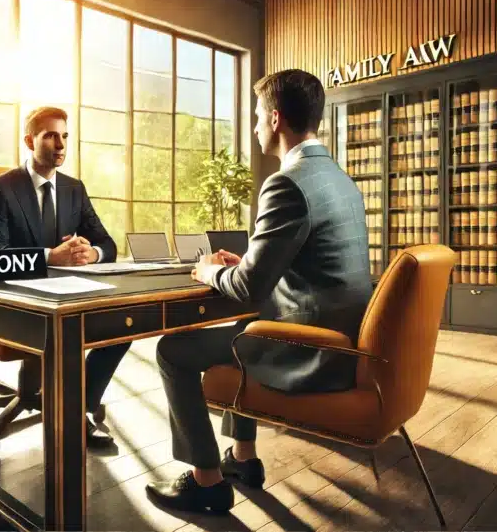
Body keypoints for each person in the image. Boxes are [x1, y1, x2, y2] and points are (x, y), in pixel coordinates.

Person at [145, 69, 373, 513]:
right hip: (344, 344)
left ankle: (206, 480)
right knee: (246, 325)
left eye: (255, 118)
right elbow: (303, 262)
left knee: (173, 352)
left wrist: (210, 271)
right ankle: (243, 458)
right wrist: (247, 260)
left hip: (309, 353)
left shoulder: (287, 181)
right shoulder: (341, 181)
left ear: (274, 119)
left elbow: (249, 288)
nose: (252, 128)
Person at [0, 106, 128, 448]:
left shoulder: (74, 189)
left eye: (64, 136)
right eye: (50, 136)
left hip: (68, 292)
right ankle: (73, 413)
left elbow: (108, 243)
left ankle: (80, 408)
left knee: (123, 322)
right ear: (30, 140)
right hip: (18, 297)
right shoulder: (1, 187)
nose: (59, 144)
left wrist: (92, 254)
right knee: (68, 329)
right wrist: (50, 256)